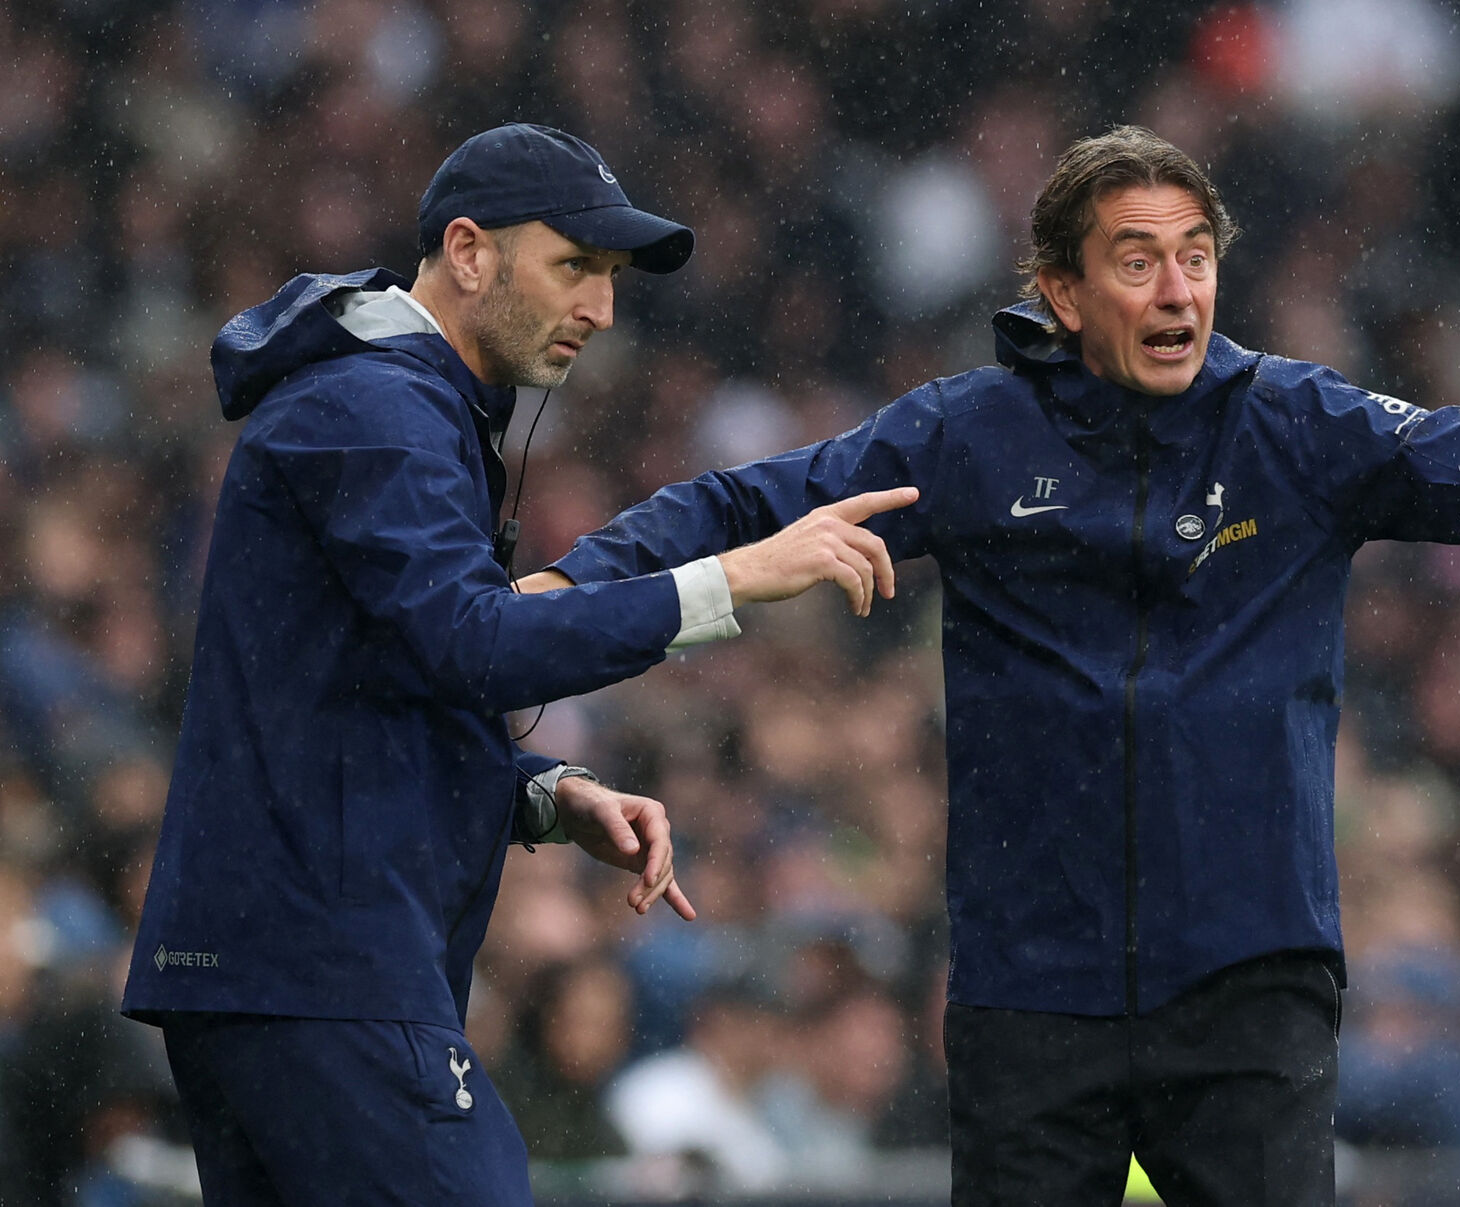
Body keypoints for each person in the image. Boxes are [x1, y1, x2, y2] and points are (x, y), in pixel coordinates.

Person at [519, 126, 1460, 1205]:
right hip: (1032, 986)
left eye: (1197, 257)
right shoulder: (967, 436)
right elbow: (755, 498)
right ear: (1061, 292)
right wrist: (582, 578)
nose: (1178, 290)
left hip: (1248, 977)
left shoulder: (1295, 425)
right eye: (1138, 261)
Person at [120, 123, 916, 1206]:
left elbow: (360, 696)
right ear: (469, 251)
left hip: (275, 966)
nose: (601, 308)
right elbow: (476, 640)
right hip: (324, 968)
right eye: (577, 267)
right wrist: (733, 582)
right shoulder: (375, 407)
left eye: (613, 278)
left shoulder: (384, 402)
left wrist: (538, 794)